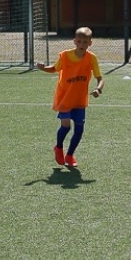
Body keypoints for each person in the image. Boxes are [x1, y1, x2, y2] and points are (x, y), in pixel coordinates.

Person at [39, 26, 104, 167]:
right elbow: (54, 68)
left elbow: (100, 78)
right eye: (79, 41)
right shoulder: (65, 56)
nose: (82, 44)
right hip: (65, 98)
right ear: (74, 41)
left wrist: (98, 89)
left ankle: (69, 156)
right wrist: (43, 68)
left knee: (79, 129)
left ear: (90, 43)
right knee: (66, 126)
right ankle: (59, 148)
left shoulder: (91, 58)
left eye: (85, 42)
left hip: (79, 99)